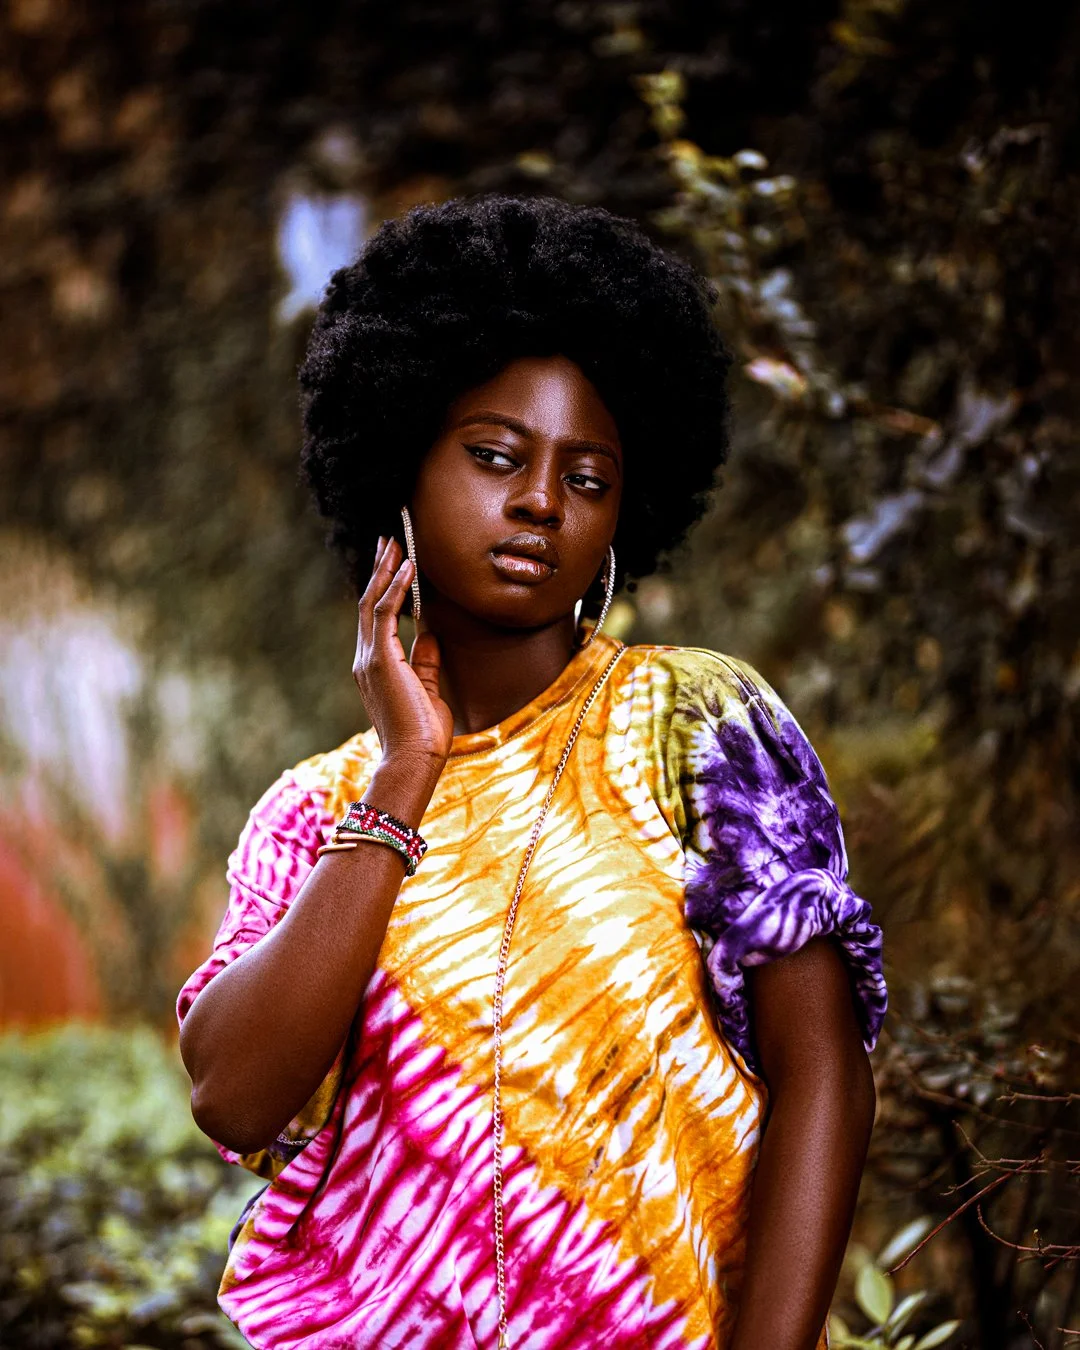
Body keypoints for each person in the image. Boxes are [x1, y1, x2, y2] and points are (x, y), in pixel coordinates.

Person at [177, 193, 886, 1350]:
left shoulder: (695, 723)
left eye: (589, 478)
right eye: (496, 457)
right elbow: (236, 1096)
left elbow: (825, 1077)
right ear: (399, 466)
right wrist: (406, 774)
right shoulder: (315, 810)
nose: (541, 503)